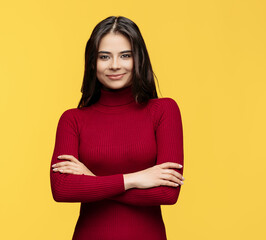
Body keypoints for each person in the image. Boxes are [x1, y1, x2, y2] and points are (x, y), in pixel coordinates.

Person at [50, 16, 185, 240]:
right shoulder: (72, 119)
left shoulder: (164, 110)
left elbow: (167, 193)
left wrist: (92, 180)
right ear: (93, 61)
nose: (114, 65)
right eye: (104, 56)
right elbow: (62, 189)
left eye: (125, 55)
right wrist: (134, 179)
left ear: (139, 59)